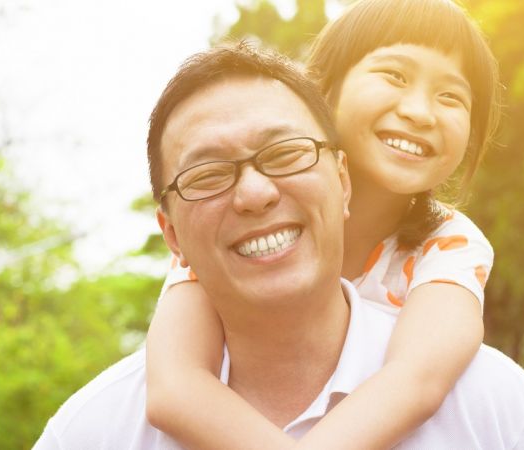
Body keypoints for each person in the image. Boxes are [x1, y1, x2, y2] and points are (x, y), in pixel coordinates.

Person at [32, 42, 524, 449]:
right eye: (209, 173)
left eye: (286, 153)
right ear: (172, 235)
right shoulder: (91, 431)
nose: (255, 193)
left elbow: (422, 379)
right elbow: (172, 388)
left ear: (343, 181)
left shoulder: (500, 410)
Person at [146, 0, 503, 447]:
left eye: (451, 96)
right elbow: (174, 390)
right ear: (322, 91)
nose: (420, 112)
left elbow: (418, 380)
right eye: (395, 75)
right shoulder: (234, 232)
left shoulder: (449, 244)